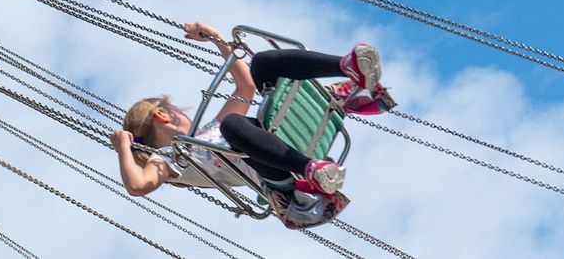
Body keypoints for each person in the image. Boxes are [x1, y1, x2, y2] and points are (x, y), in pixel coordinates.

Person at [112, 22, 394, 208]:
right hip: (278, 174)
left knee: (262, 64)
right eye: (175, 109)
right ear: (162, 116)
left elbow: (245, 84)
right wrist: (123, 148)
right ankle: (312, 170)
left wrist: (216, 38)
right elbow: (138, 186)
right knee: (233, 126)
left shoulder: (207, 132)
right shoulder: (170, 160)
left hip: (276, 135)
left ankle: (348, 69)